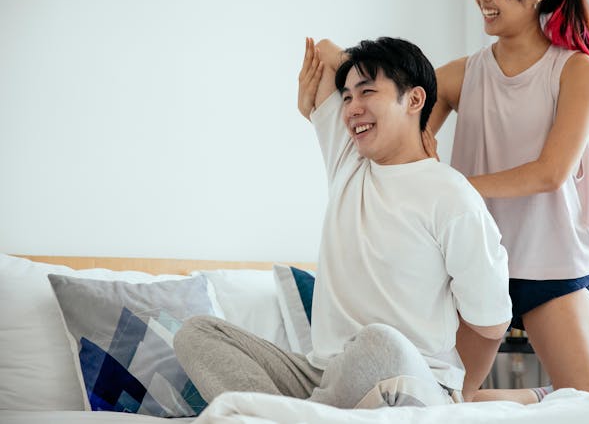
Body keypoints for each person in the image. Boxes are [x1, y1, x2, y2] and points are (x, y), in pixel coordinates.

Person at [173, 36, 513, 409]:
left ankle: (279, 416)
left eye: (367, 92)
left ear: (414, 100)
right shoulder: (348, 161)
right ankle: (295, 417)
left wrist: (458, 396)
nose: (352, 108)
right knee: (196, 332)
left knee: (381, 342)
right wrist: (360, 73)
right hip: (321, 375)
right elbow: (321, 53)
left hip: (409, 375)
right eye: (347, 97)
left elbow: (491, 321)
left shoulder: (452, 195)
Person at [423, 0, 589, 401]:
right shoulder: (462, 74)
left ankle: (551, 399)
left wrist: (459, 185)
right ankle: (537, 400)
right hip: (477, 262)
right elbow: (412, 129)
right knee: (444, 400)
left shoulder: (576, 70)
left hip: (552, 262)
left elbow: (551, 173)